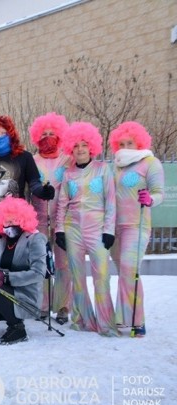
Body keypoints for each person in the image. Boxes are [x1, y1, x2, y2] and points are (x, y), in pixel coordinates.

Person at [0, 115, 54, 274]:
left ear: (11, 135)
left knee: (14, 261)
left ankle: (13, 297)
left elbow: (34, 183)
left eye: (3, 133)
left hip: (13, 221)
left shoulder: (24, 157)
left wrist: (44, 192)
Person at [55, 122, 119, 337]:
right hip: (72, 230)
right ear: (70, 148)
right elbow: (62, 204)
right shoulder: (67, 173)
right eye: (76, 146)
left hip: (98, 230)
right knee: (77, 276)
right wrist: (59, 230)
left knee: (102, 276)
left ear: (91, 146)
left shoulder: (103, 169)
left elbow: (111, 202)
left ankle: (105, 323)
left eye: (84, 145)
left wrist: (109, 230)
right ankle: (82, 319)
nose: (80, 149)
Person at [109, 121, 164, 337]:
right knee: (123, 272)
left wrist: (150, 199)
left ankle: (136, 320)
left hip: (136, 225)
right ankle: (123, 318)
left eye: (129, 142)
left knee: (129, 270)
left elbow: (160, 192)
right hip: (114, 227)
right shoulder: (115, 165)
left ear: (139, 142)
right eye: (121, 143)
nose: (125, 146)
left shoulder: (150, 162)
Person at [0, 196, 47, 345]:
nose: (9, 225)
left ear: (23, 220)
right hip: (2, 291)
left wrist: (6, 277)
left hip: (26, 294)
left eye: (13, 221)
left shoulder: (34, 240)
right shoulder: (0, 243)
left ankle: (17, 327)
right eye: (6, 221)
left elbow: (38, 273)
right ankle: (9, 312)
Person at [28, 113, 73, 323]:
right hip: (39, 220)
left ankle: (63, 306)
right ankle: (43, 305)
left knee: (63, 264)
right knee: (43, 262)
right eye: (44, 134)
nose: (48, 137)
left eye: (52, 133)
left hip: (63, 220)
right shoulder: (33, 160)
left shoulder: (67, 159)